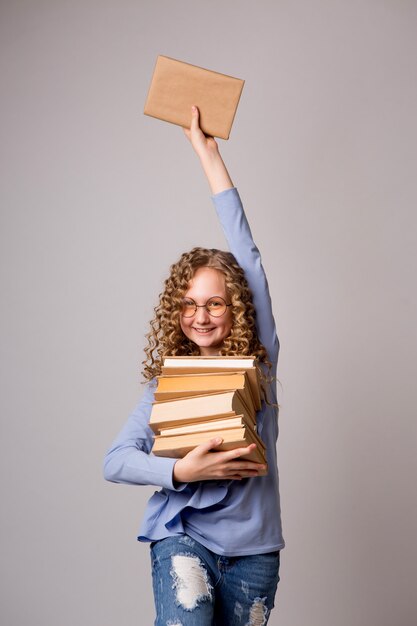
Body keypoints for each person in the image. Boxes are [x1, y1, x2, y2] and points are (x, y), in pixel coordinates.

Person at [103, 105, 285, 625]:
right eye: (188, 304)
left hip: (255, 553)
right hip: (182, 536)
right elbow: (115, 459)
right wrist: (181, 470)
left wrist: (209, 156)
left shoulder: (261, 367)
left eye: (215, 303)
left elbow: (248, 258)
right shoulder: (166, 386)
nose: (200, 315)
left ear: (239, 309)